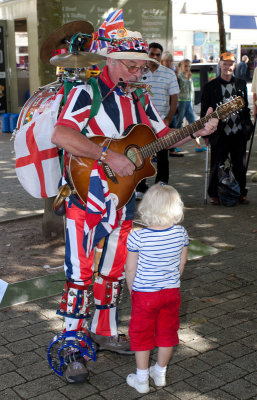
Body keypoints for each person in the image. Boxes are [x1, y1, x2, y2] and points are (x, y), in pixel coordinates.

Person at [51, 13, 218, 384]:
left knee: (112, 270)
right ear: (110, 60)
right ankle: (71, 347)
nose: (139, 73)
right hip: (84, 199)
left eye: (143, 66)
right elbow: (62, 136)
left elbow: (164, 134)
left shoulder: (138, 96)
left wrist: (197, 131)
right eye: (131, 66)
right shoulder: (85, 93)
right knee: (79, 274)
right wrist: (107, 156)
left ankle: (105, 331)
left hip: (122, 201)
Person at [125, 183, 188, 394]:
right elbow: (181, 264)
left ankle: (141, 379)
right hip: (171, 292)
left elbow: (130, 268)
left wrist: (132, 290)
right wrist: (170, 281)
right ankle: (160, 374)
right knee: (167, 333)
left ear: (146, 207)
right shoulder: (181, 233)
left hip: (145, 294)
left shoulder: (137, 236)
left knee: (141, 334)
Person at [201, 51, 252, 205]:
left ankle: (241, 192)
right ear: (220, 64)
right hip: (219, 133)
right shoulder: (210, 86)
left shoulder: (241, 84)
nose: (228, 67)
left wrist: (247, 128)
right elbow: (205, 112)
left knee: (240, 165)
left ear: (234, 65)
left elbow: (246, 108)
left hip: (238, 132)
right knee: (217, 164)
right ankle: (214, 193)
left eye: (230, 64)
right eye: (225, 64)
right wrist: (205, 134)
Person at [136, 42, 180, 198]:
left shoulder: (169, 74)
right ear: (147, 54)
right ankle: (140, 187)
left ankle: (161, 184)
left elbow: (174, 98)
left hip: (162, 120)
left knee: (162, 155)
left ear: (161, 56)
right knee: (141, 155)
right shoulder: (138, 72)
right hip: (141, 122)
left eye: (157, 54)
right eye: (152, 54)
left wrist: (169, 118)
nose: (154, 57)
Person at [176, 59, 207, 152]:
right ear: (181, 66)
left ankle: (198, 145)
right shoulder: (179, 77)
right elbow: (178, 90)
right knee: (178, 125)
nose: (187, 68)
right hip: (181, 102)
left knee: (194, 124)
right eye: (185, 66)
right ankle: (174, 145)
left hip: (189, 102)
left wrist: (192, 102)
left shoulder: (189, 76)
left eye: (189, 66)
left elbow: (192, 91)